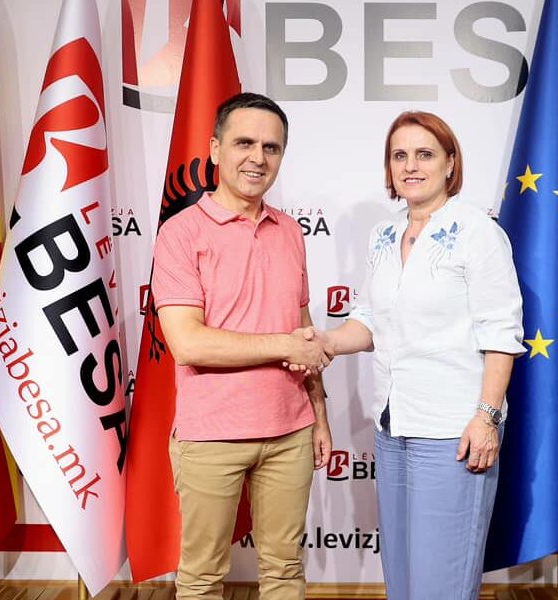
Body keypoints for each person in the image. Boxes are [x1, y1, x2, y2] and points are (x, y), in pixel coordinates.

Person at [293, 111, 524, 599]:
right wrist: (326, 343)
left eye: (424, 154)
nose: (411, 166)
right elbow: (371, 321)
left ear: (450, 163)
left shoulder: (478, 232)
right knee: (402, 581)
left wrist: (486, 417)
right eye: (400, 155)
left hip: (453, 432)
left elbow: (502, 334)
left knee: (441, 586)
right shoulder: (384, 233)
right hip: (392, 428)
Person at [151, 92, 333, 600]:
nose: (258, 157)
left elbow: (303, 327)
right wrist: (285, 345)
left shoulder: (290, 230)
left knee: (285, 571)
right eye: (244, 143)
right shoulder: (179, 233)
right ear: (215, 149)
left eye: (271, 147)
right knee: (202, 578)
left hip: (291, 430)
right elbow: (189, 344)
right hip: (212, 435)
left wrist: (318, 414)